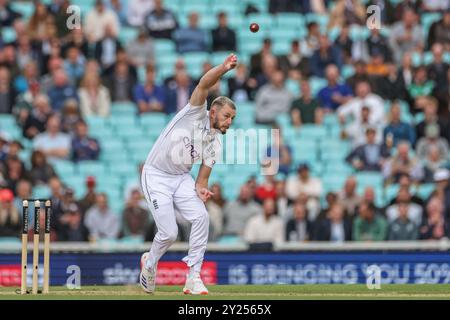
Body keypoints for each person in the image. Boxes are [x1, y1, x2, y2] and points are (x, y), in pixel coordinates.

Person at [139, 54, 238, 295]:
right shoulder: (195, 111)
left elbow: (202, 179)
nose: (229, 123)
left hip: (181, 178)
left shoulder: (215, 144)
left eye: (232, 119)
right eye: (226, 116)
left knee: (202, 217)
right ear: (213, 112)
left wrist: (202, 188)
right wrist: (224, 68)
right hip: (156, 175)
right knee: (169, 233)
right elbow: (204, 84)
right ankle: (149, 265)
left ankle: (193, 277)